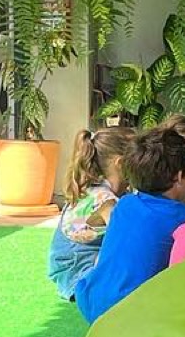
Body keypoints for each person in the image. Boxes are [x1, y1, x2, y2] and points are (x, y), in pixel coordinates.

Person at [73, 126, 185, 324]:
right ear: (180, 177)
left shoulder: (125, 203)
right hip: (127, 313)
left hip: (91, 299)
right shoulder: (184, 219)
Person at [49, 124, 139, 300]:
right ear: (120, 164)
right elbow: (121, 235)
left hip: (72, 266)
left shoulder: (101, 190)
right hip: (77, 272)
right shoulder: (103, 200)